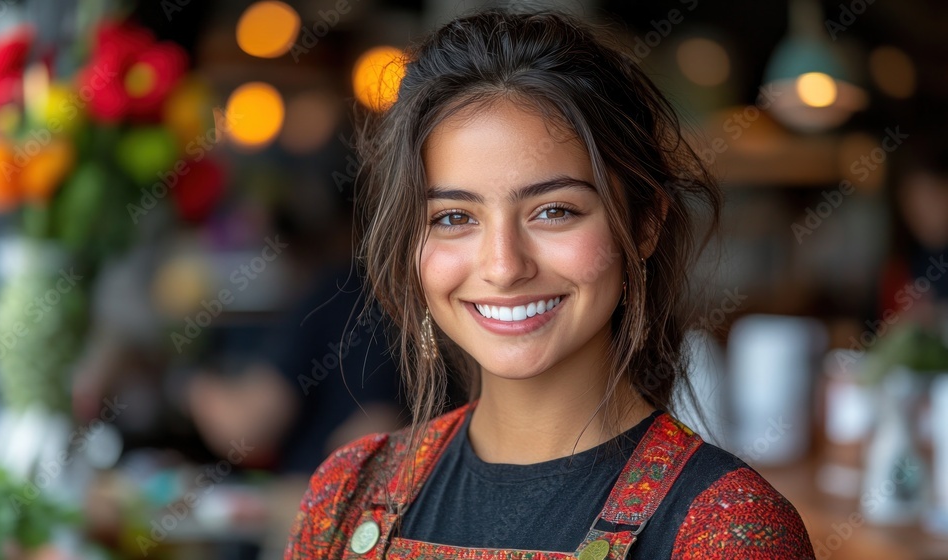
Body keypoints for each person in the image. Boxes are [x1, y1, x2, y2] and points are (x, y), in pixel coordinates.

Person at [285, 8, 815, 559]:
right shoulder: (345, 496)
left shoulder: (726, 529)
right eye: (452, 217)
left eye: (554, 211)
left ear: (644, 224)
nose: (503, 265)